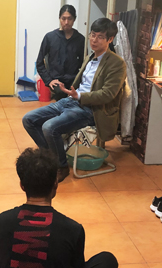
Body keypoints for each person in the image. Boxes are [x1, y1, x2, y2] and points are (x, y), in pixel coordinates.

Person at [23, 18, 127, 182]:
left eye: (100, 37)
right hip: (71, 101)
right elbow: (81, 84)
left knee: (49, 127)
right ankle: (52, 159)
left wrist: (79, 96)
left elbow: (108, 94)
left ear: (110, 39)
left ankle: (61, 166)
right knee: (29, 119)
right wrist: (68, 91)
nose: (94, 40)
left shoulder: (117, 64)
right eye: (93, 35)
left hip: (91, 109)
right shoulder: (90, 57)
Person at [36, 4, 85, 101]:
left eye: (69, 19)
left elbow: (84, 63)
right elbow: (39, 62)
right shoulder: (50, 37)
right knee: (61, 94)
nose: (66, 22)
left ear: (74, 19)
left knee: (76, 99)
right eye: (63, 19)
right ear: (59, 19)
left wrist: (79, 79)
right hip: (56, 80)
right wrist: (49, 80)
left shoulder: (80, 39)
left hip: (73, 80)